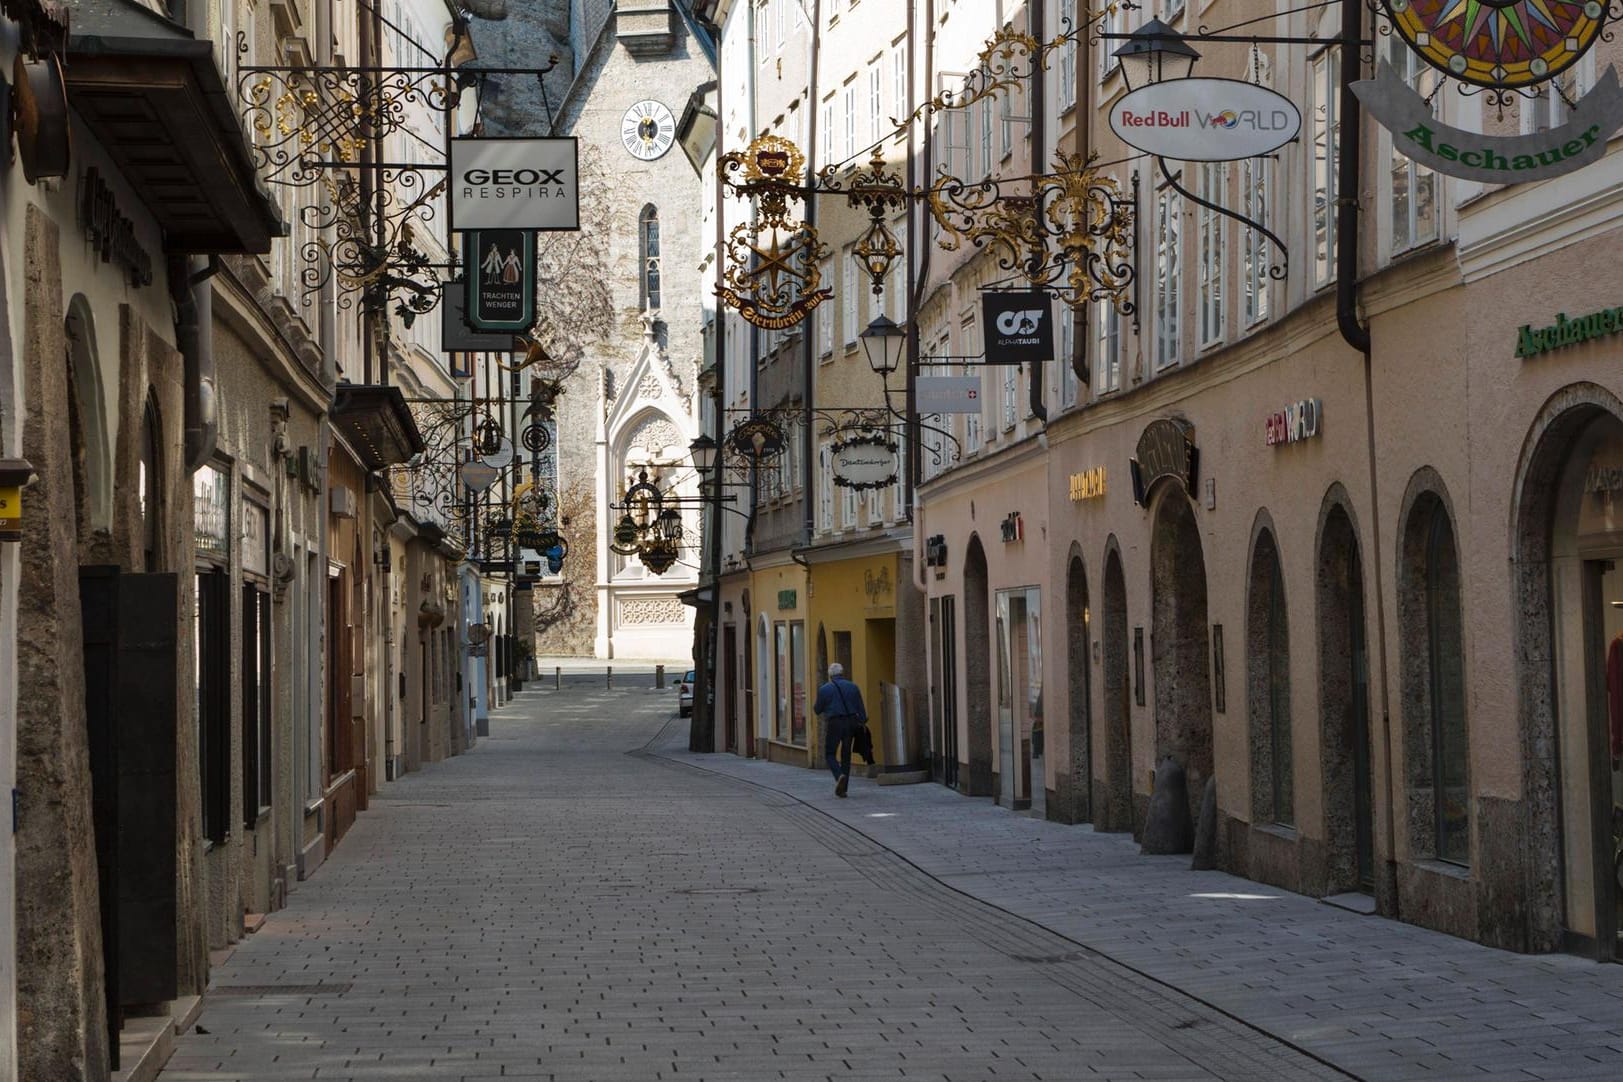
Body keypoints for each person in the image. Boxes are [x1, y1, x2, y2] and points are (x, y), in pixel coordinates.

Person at [814, 662, 867, 797]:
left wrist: (827, 706)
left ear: (830, 675)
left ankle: (839, 776)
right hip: (851, 723)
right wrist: (862, 721)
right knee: (846, 755)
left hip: (835, 722)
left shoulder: (824, 689)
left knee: (830, 753)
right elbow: (862, 711)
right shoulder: (853, 687)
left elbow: (817, 709)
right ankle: (844, 789)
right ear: (842, 673)